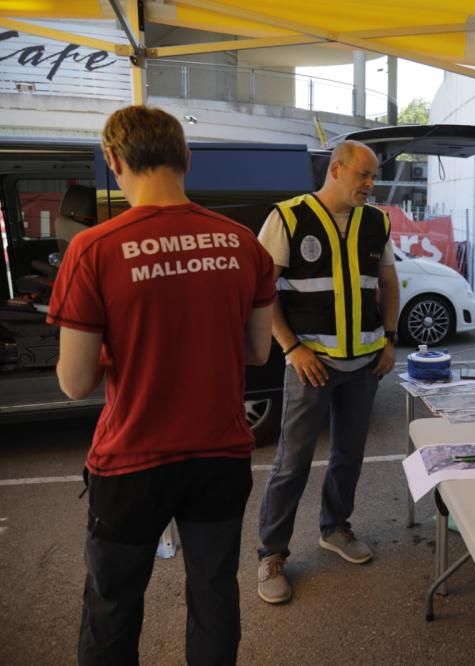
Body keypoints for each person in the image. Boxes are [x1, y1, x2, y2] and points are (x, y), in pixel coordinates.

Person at [47, 105, 276, 665]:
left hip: (132, 462)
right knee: (214, 596)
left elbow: (74, 383)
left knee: (114, 606)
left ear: (114, 160)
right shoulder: (243, 242)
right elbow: (257, 352)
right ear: (186, 159)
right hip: (219, 455)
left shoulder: (94, 249)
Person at [255, 139, 399, 604]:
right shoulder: (288, 217)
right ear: (336, 169)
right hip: (310, 365)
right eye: (364, 175)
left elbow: (389, 280)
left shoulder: (376, 221)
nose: (370, 185)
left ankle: (334, 528)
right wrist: (291, 348)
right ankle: (272, 552)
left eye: (373, 177)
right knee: (291, 463)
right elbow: (260, 291)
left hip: (364, 364)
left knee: (349, 455)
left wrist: (390, 338)